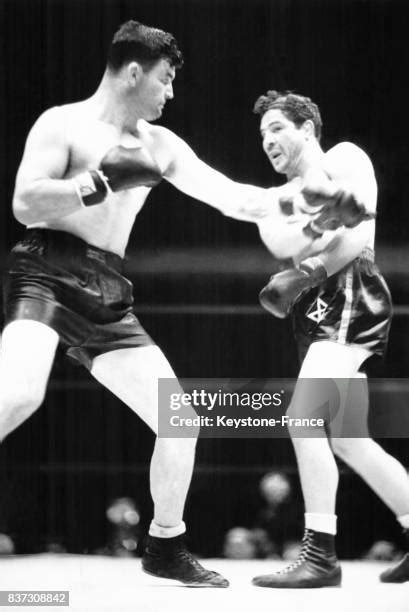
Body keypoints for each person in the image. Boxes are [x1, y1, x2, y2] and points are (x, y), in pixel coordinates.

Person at [1, 22, 356, 588]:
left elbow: (235, 198)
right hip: (45, 269)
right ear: (134, 71)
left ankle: (165, 544)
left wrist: (305, 195)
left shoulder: (160, 145)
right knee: (19, 393)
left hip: (106, 288)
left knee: (180, 421)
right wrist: (94, 184)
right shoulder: (61, 123)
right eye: (165, 80)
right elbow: (24, 201)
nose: (170, 94)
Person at [251, 90, 409, 588]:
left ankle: (320, 554)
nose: (267, 141)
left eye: (276, 128)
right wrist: (299, 255)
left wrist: (306, 270)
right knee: (348, 440)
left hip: (350, 294)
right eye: (261, 135)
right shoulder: (289, 197)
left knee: (302, 417)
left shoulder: (344, 157)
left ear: (307, 129)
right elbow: (278, 241)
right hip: (321, 308)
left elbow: (360, 232)